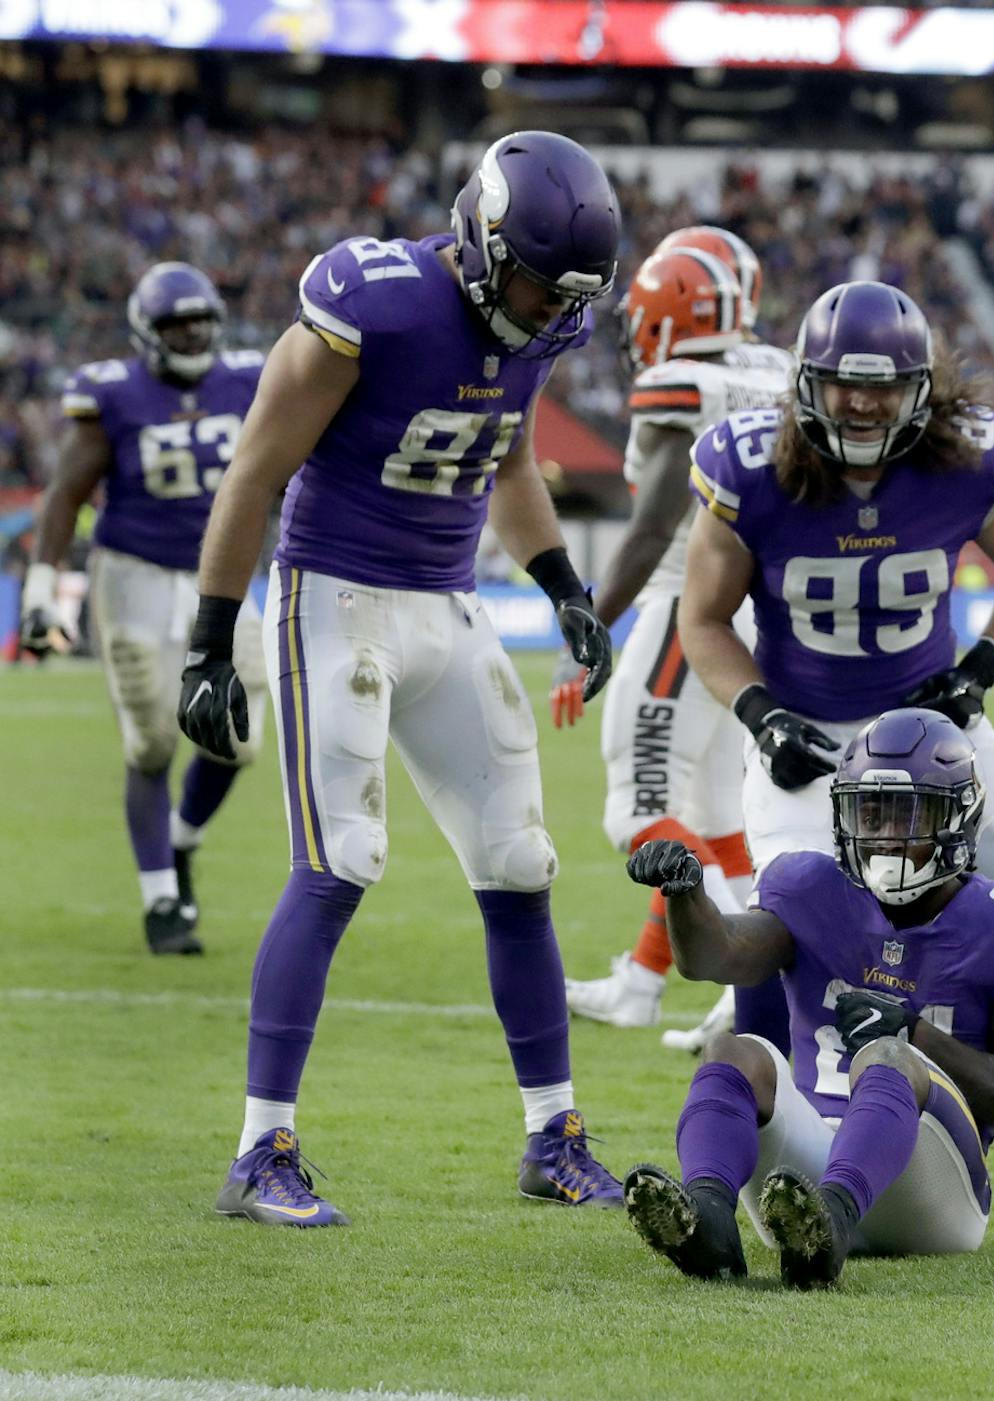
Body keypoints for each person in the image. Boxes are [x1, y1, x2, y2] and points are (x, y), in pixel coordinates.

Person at [177, 132, 628, 1226]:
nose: (546, 309)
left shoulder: (535, 321)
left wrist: (563, 581)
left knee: (521, 864)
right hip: (334, 600)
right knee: (341, 863)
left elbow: (509, 454)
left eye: (568, 293)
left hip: (448, 605)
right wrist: (209, 640)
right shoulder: (370, 301)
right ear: (480, 238)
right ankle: (259, 1151)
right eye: (533, 280)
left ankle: (551, 1134)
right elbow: (256, 470)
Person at [673, 279, 994, 1189]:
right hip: (813, 742)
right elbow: (704, 621)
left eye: (883, 384)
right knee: (785, 916)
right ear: (808, 381)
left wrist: (980, 667)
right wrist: (761, 713)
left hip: (932, 739)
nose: (863, 402)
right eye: (842, 383)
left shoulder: (965, 459)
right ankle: (770, 1124)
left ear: (924, 387)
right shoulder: (751, 468)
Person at [619, 708, 994, 1289]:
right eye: (872, 813)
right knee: (729, 1050)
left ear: (960, 819)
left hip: (934, 1192)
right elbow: (718, 956)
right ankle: (708, 1220)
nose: (889, 835)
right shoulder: (811, 888)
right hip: (799, 1183)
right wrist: (686, 895)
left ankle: (831, 1224)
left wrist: (916, 1035)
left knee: (886, 1057)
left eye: (911, 814)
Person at [551, 234, 792, 1034]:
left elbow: (654, 524)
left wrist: (589, 621)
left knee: (639, 809)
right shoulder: (779, 371)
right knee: (715, 814)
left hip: (688, 610)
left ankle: (754, 985)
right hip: (760, 614)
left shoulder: (681, 382)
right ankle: (642, 983)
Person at [25, 263, 266, 954]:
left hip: (219, 574)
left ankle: (182, 840)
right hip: (132, 571)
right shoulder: (114, 394)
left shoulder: (248, 379)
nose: (190, 332)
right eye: (173, 323)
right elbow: (65, 495)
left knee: (238, 738)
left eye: (198, 320)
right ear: (146, 332)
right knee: (153, 740)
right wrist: (42, 592)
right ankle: (162, 899)